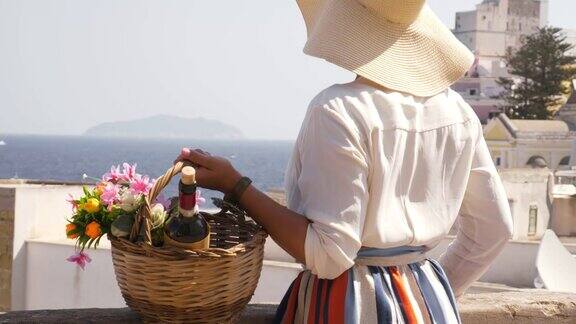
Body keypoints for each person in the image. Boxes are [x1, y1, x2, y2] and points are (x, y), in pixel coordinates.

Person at [176, 0, 513, 322]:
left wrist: (237, 186)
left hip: (351, 304)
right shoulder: (457, 112)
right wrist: (427, 290)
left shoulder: (338, 111)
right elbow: (494, 229)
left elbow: (328, 255)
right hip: (429, 303)